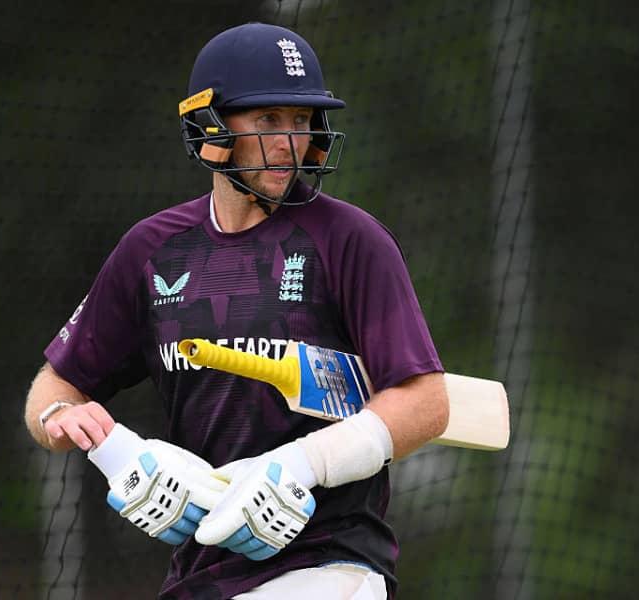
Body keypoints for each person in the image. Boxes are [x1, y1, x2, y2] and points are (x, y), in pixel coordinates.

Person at [23, 22, 448, 600]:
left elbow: (426, 401)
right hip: (199, 572)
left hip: (329, 567)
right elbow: (55, 389)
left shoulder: (351, 240)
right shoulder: (153, 249)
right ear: (211, 128)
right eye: (267, 120)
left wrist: (307, 464)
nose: (288, 143)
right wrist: (86, 435)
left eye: (300, 122)